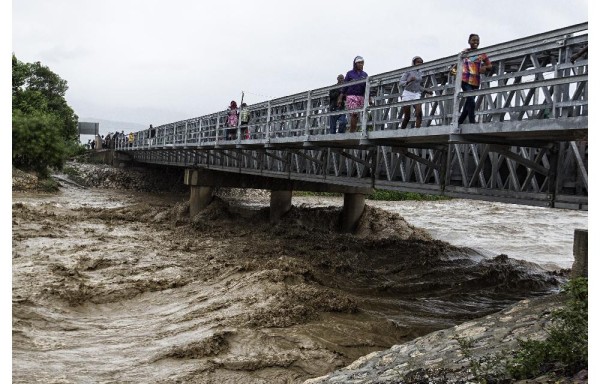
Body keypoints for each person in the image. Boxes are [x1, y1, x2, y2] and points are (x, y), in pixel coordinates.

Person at [457, 34, 492, 125]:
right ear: (469, 41)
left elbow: (489, 65)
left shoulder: (482, 54)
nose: (475, 42)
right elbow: (458, 62)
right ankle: (472, 122)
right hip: (465, 80)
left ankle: (459, 122)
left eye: (477, 40)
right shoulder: (464, 52)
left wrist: (485, 68)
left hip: (475, 81)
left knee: (468, 103)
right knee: (471, 102)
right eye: (473, 40)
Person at [338, 56, 372, 132]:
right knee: (354, 114)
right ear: (355, 64)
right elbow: (345, 86)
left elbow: (367, 87)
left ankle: (352, 130)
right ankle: (352, 132)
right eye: (359, 63)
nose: (361, 64)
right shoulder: (350, 73)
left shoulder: (365, 74)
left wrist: (369, 98)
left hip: (360, 96)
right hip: (351, 96)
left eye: (362, 63)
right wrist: (340, 98)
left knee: (357, 116)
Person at [399, 56, 433, 129]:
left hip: (416, 94)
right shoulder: (408, 71)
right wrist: (409, 81)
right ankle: (402, 131)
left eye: (421, 62)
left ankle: (417, 131)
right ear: (414, 63)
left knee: (419, 113)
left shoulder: (420, 73)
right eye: (418, 62)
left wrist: (426, 90)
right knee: (407, 117)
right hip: (407, 93)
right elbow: (401, 83)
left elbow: (418, 86)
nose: (419, 64)